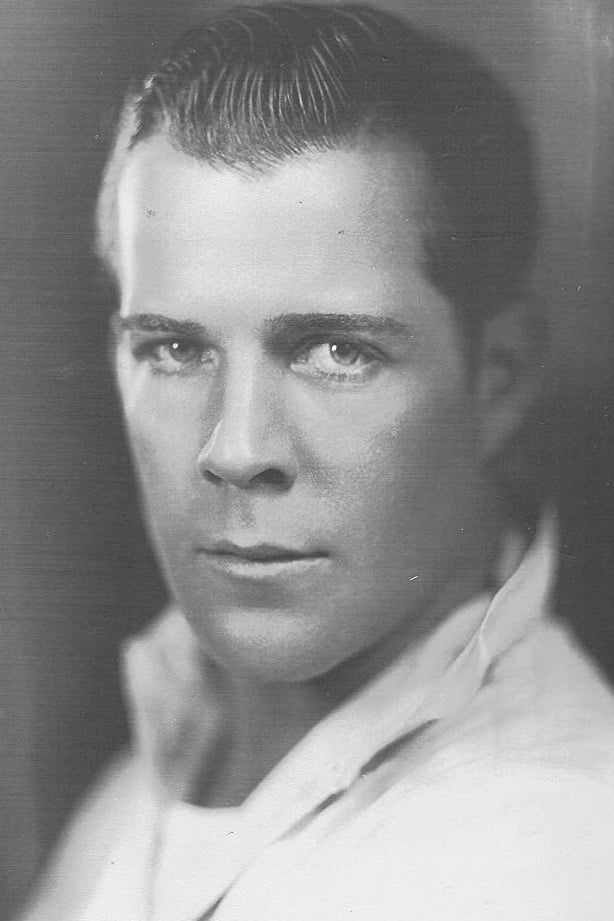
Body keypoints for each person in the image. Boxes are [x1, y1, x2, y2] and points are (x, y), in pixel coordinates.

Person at [20, 4, 614, 920]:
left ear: (498, 376)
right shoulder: (181, 734)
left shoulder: (542, 852)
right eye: (174, 349)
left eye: (336, 352)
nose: (236, 449)